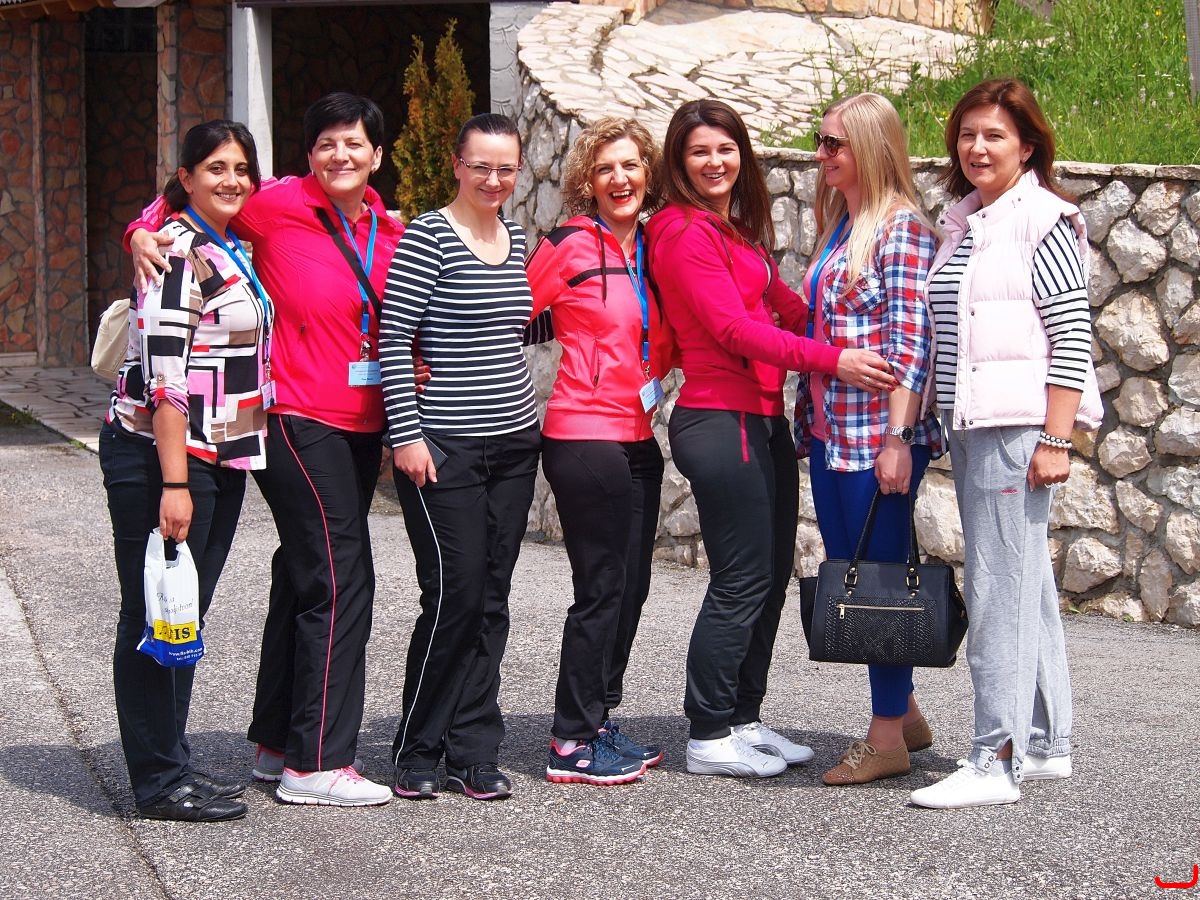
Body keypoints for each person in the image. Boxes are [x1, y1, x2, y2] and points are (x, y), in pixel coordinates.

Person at [128, 93, 403, 807]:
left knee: (304, 574)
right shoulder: (276, 203)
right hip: (294, 419)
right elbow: (189, 204)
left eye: (354, 143)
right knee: (341, 579)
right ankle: (319, 763)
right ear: (308, 156)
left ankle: (279, 741)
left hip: (360, 423)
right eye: (326, 143)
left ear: (378, 155)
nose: (340, 155)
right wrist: (139, 231)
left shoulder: (391, 229)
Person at [644, 98, 898, 778]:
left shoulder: (731, 229)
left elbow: (788, 307)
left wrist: (858, 309)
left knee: (770, 577)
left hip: (760, 420)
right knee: (740, 580)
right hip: (720, 420)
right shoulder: (681, 232)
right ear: (678, 161)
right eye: (699, 151)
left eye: (726, 149)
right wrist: (834, 360)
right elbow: (733, 331)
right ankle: (707, 732)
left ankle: (742, 717)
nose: (715, 162)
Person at [909, 79, 1102, 809]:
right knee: (1027, 587)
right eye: (967, 134)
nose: (978, 147)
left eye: (994, 135)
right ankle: (1046, 743)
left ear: (1028, 146)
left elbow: (1071, 337)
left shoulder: (1042, 221)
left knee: (998, 591)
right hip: (977, 424)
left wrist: (1055, 438)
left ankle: (995, 758)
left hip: (1016, 428)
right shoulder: (970, 221)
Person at [102, 120, 270, 822]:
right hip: (166, 458)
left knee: (182, 611)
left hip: (217, 454)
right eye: (216, 167)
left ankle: (172, 757)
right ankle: (158, 781)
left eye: (241, 168)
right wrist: (174, 484)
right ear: (187, 177)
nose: (231, 179)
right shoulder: (177, 253)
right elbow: (167, 382)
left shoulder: (227, 243)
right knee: (154, 610)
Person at [380, 113, 541, 802]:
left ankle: (474, 749)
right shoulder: (428, 236)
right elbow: (394, 338)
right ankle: (418, 746)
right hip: (442, 447)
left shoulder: (520, 239)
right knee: (454, 594)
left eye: (505, 168)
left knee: (492, 599)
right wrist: (405, 435)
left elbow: (523, 325)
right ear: (457, 164)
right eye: (481, 166)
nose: (493, 179)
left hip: (515, 444)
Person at [791, 94, 943, 787]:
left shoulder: (900, 229)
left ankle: (885, 740)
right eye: (820, 142)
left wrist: (899, 440)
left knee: (879, 583)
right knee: (857, 574)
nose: (822, 155)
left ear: (872, 149)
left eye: (835, 144)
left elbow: (912, 346)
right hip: (832, 435)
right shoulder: (843, 225)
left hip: (876, 438)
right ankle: (903, 712)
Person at [524, 117, 673, 786]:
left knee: (631, 589)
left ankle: (598, 717)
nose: (620, 178)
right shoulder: (568, 244)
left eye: (631, 165)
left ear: (648, 174)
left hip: (639, 438)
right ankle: (570, 740)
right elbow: (510, 313)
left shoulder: (654, 247)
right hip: (584, 434)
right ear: (588, 180)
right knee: (601, 589)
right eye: (606, 167)